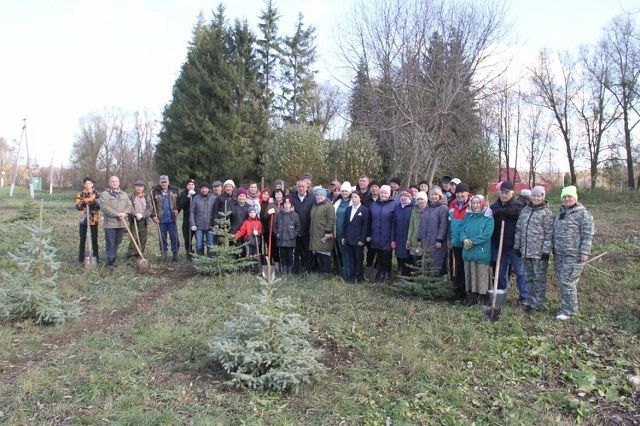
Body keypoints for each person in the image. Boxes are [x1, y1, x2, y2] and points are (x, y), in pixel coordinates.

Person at [553, 186, 594, 320]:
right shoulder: (561, 213)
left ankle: (569, 312)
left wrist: (585, 252)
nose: (567, 199)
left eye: (569, 196)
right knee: (562, 280)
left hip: (574, 255)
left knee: (567, 281)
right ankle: (565, 307)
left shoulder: (583, 214)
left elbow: (588, 234)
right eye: (564, 197)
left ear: (575, 198)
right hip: (559, 254)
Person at [514, 185, 554, 312]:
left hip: (539, 253)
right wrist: (517, 246)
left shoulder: (547, 213)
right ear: (530, 196)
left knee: (538, 280)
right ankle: (530, 302)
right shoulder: (525, 210)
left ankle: (538, 305)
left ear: (543, 197)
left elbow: (549, 234)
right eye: (534, 195)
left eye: (539, 195)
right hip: (526, 251)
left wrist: (546, 252)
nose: (536, 197)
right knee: (528, 278)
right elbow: (519, 229)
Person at [490, 181, 528, 304]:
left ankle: (524, 297)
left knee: (520, 272)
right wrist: (499, 213)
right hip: (499, 246)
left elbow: (515, 212)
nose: (504, 195)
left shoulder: (518, 205)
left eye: (507, 192)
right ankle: (501, 295)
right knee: (501, 273)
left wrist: (502, 213)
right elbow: (491, 214)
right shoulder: (494, 206)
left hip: (514, 246)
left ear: (512, 193)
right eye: (502, 192)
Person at [460, 195, 494, 306]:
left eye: (478, 203)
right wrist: (464, 239)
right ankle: (471, 298)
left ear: (482, 204)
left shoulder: (488, 218)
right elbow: (462, 229)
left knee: (481, 276)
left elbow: (486, 235)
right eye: (473, 203)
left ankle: (482, 299)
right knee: (470, 275)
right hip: (468, 252)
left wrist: (471, 241)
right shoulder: (468, 216)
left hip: (481, 252)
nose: (475, 205)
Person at [99, 176, 133, 267]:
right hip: (110, 224)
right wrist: (117, 214)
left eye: (116, 181)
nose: (114, 183)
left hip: (121, 224)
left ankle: (114, 258)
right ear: (109, 183)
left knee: (117, 242)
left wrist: (124, 213)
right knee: (110, 243)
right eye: (112, 181)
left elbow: (129, 206)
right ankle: (110, 262)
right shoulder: (104, 194)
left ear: (119, 183)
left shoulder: (124, 194)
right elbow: (104, 207)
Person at [417, 186, 449, 277]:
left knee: (435, 262)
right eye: (432, 194)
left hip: (436, 241)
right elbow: (421, 224)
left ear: (440, 196)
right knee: (425, 261)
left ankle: (435, 282)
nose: (434, 196)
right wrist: (419, 238)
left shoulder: (443, 208)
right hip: (425, 240)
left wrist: (440, 239)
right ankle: (426, 282)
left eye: (436, 194)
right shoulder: (426, 208)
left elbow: (444, 225)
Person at [448, 182, 472, 299]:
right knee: (458, 266)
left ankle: (469, 292)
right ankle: (459, 292)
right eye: (457, 193)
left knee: (467, 267)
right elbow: (449, 223)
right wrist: (450, 239)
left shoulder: (473, 205)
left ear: (467, 193)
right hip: (456, 241)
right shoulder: (452, 205)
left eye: (462, 192)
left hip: (468, 242)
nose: (460, 195)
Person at [369, 185, 396, 282]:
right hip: (376, 235)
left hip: (387, 236)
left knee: (386, 257)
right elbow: (370, 220)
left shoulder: (393, 204)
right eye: (382, 193)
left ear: (389, 194)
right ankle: (379, 274)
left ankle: (387, 275)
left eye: (385, 193)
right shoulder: (374, 204)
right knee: (379, 256)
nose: (383, 195)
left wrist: (393, 238)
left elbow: (394, 223)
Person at [342, 191, 369, 282]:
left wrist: (362, 239)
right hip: (349, 239)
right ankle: (351, 276)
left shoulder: (364, 210)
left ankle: (358, 276)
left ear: (360, 198)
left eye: (356, 197)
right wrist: (343, 237)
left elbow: (365, 226)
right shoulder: (348, 209)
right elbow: (345, 224)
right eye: (352, 197)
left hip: (358, 240)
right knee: (351, 258)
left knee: (359, 258)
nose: (353, 199)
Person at [309, 187, 336, 277]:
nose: (319, 196)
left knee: (325, 254)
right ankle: (322, 271)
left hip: (325, 234)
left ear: (325, 196)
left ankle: (327, 272)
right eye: (317, 195)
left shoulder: (328, 206)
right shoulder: (314, 205)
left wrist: (328, 232)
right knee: (320, 253)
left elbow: (331, 219)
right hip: (316, 234)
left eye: (321, 195)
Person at [152, 175, 180, 262]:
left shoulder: (174, 190)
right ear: (159, 182)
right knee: (162, 238)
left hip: (172, 219)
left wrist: (177, 210)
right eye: (162, 182)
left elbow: (179, 202)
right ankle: (164, 256)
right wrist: (153, 216)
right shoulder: (154, 192)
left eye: (165, 182)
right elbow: (151, 205)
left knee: (174, 237)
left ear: (168, 182)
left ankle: (175, 255)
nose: (164, 183)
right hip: (161, 219)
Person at [291, 179, 315, 273]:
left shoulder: (312, 198)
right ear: (296, 188)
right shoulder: (292, 198)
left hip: (307, 229)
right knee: (296, 251)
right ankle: (295, 269)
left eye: (303, 186)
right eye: (299, 186)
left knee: (308, 251)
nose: (301, 188)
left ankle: (309, 269)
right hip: (295, 230)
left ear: (307, 187)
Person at [75, 177, 100, 264]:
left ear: (92, 184)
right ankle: (81, 258)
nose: (87, 185)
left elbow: (99, 206)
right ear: (84, 185)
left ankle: (96, 257)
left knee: (94, 239)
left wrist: (93, 202)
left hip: (93, 219)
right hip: (83, 219)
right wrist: (83, 203)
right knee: (82, 239)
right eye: (86, 184)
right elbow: (77, 206)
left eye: (89, 183)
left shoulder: (97, 194)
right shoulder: (81, 194)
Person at [127, 180, 154, 260]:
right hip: (134, 220)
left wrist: (143, 215)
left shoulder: (147, 197)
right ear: (135, 187)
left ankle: (140, 255)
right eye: (137, 186)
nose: (139, 188)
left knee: (143, 238)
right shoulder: (130, 196)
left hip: (143, 220)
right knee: (134, 238)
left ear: (143, 188)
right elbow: (128, 207)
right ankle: (131, 256)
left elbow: (150, 208)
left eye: (141, 186)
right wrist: (134, 214)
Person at [190, 181, 217, 256]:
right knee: (199, 244)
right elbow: (192, 211)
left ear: (209, 189)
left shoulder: (214, 198)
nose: (204, 190)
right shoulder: (196, 198)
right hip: (199, 226)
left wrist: (215, 224)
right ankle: (200, 259)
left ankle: (209, 260)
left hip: (210, 226)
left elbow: (216, 212)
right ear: (200, 189)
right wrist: (192, 224)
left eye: (205, 188)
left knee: (210, 244)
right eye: (202, 188)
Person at [275, 197, 301, 276]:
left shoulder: (295, 215)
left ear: (291, 205)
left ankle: (289, 272)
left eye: (288, 203)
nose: (287, 205)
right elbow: (275, 226)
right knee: (282, 256)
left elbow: (298, 226)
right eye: (285, 203)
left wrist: (294, 235)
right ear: (283, 205)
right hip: (281, 240)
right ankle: (284, 271)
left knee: (290, 256)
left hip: (291, 240)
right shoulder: (279, 215)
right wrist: (277, 234)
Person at [233, 206, 263, 273]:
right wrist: (236, 235)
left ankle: (257, 270)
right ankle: (248, 270)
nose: (252, 214)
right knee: (248, 256)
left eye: (254, 212)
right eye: (251, 212)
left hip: (256, 242)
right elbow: (241, 231)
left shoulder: (259, 222)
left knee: (256, 255)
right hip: (248, 242)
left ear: (256, 213)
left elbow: (261, 231)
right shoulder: (246, 222)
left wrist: (257, 233)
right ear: (248, 214)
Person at [392, 188, 414, 277]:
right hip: (398, 236)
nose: (403, 198)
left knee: (408, 257)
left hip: (408, 237)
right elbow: (393, 224)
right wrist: (393, 239)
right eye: (402, 196)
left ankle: (408, 276)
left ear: (410, 197)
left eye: (405, 196)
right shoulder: (397, 208)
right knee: (399, 256)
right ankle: (400, 272)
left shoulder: (413, 208)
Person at [334, 181, 353, 280]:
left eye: (346, 191)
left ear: (349, 192)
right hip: (338, 233)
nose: (344, 193)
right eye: (343, 191)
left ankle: (349, 274)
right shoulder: (337, 202)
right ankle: (345, 271)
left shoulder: (352, 201)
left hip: (347, 233)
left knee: (347, 254)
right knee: (342, 253)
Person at [407, 191, 428, 266]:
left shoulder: (430, 210)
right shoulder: (414, 210)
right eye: (418, 199)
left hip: (427, 241)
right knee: (416, 263)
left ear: (425, 200)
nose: (420, 201)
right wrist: (408, 240)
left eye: (422, 199)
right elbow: (411, 226)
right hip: (415, 240)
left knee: (426, 263)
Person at [177, 178, 197, 260]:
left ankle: (199, 254)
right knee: (187, 237)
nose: (191, 186)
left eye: (192, 184)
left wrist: (194, 195)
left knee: (198, 238)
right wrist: (188, 197)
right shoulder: (183, 194)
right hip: (187, 219)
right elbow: (181, 205)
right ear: (186, 186)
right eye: (189, 184)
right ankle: (189, 254)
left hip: (196, 220)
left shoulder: (198, 194)